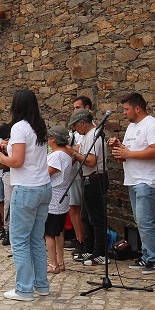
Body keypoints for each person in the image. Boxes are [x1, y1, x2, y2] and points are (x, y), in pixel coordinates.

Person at [0, 89, 51, 302]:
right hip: (43, 187)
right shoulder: (39, 126)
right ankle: (41, 285)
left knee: (19, 240)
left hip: (26, 188)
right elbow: (29, 152)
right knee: (36, 239)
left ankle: (24, 289)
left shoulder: (19, 127)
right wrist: (9, 146)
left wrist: (0, 155)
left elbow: (17, 162)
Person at [109, 92, 155, 274]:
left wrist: (129, 154)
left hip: (147, 180)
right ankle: (147, 255)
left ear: (137, 108)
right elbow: (127, 154)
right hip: (133, 179)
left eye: (126, 109)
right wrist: (118, 148)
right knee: (139, 220)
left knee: (145, 220)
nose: (124, 113)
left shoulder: (152, 124)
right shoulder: (131, 128)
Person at [66, 108, 108, 266]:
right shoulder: (87, 137)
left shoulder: (94, 136)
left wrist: (74, 153)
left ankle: (100, 252)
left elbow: (91, 161)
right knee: (86, 216)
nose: (74, 130)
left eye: (75, 126)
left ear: (83, 123)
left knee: (97, 218)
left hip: (95, 178)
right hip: (88, 178)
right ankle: (89, 248)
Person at [65, 96, 92, 254]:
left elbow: (77, 152)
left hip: (81, 174)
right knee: (73, 208)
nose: (74, 111)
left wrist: (71, 151)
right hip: (72, 173)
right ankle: (78, 238)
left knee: (80, 209)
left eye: (77, 108)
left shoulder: (86, 133)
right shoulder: (75, 133)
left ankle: (83, 240)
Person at [45, 125, 73, 274]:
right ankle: (60, 261)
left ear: (53, 139)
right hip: (61, 196)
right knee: (59, 231)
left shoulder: (57, 156)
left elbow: (47, 173)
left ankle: (53, 263)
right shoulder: (66, 154)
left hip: (54, 197)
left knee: (49, 233)